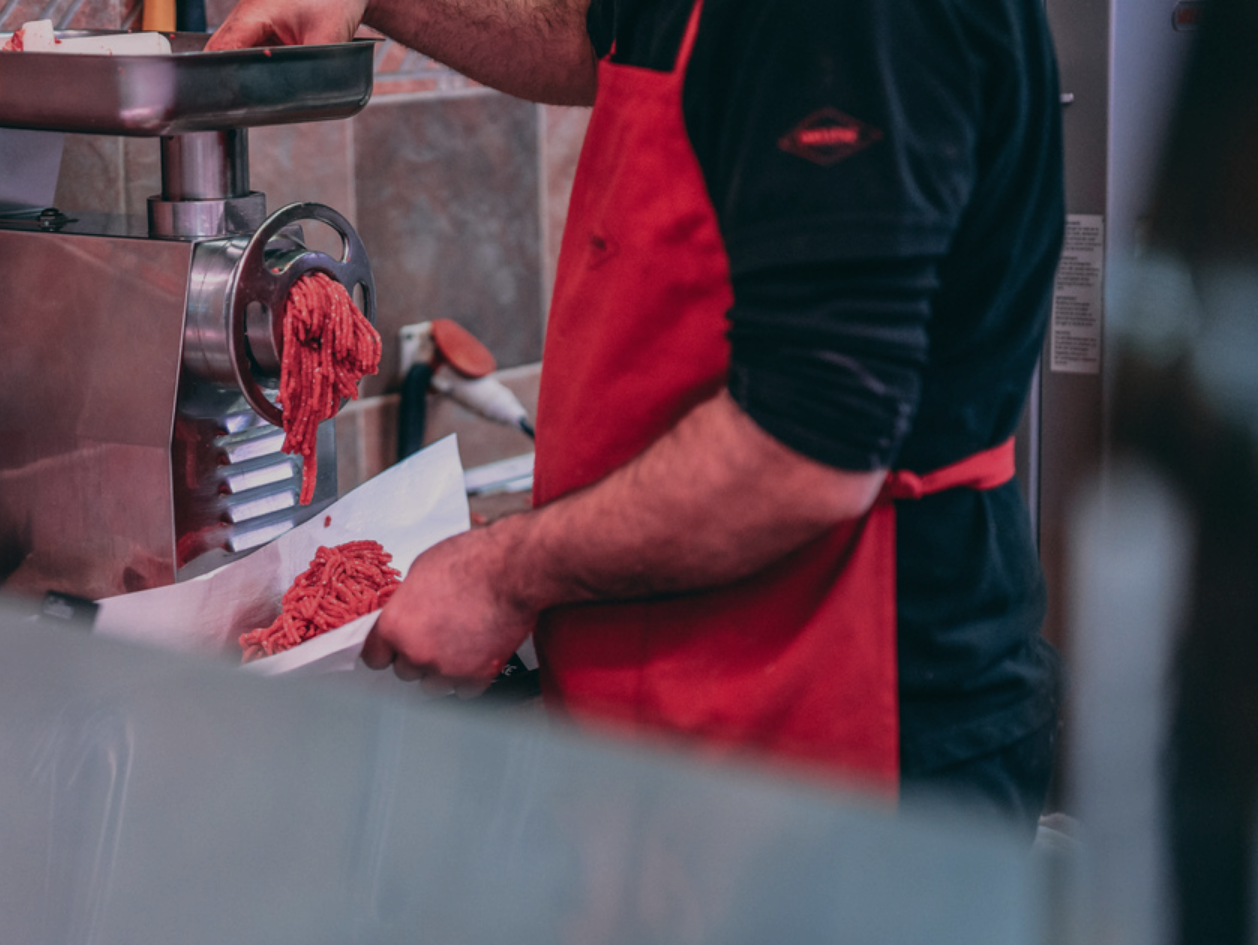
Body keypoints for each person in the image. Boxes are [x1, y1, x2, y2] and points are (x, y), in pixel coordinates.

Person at [211, 0, 1064, 829]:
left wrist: (500, 575)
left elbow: (809, 448)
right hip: (680, 724)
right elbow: (589, 35)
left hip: (847, 725)